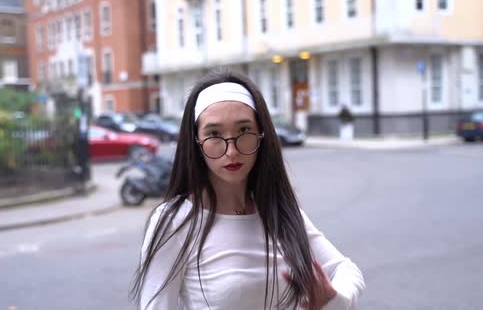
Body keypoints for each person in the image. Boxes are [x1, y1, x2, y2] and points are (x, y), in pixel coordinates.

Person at [131, 70, 365, 309]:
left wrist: (334, 300)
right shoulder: (174, 221)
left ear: (261, 135)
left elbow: (345, 270)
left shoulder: (279, 212)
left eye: (243, 131)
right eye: (214, 133)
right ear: (195, 142)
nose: (231, 151)